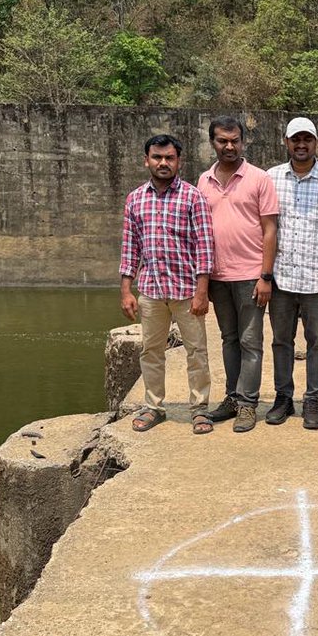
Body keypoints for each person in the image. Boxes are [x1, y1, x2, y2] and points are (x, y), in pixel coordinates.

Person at [119, 134, 214, 435]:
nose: (163, 163)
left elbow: (204, 248)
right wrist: (126, 290)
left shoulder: (193, 197)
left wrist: (202, 292)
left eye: (169, 158)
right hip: (151, 290)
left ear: (178, 161)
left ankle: (199, 408)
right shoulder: (135, 199)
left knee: (196, 351)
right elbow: (130, 248)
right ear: (146, 161)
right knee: (151, 351)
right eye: (157, 157)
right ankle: (154, 406)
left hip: (186, 291)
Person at [266, 117, 318, 430]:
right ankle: (283, 397)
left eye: (307, 139)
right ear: (286, 142)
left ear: (316, 142)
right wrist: (264, 273)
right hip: (282, 277)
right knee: (281, 341)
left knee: (317, 343)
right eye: (295, 139)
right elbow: (265, 227)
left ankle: (313, 399)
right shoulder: (272, 177)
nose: (301, 145)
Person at [197, 115, 279, 433]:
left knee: (250, 341)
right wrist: (203, 278)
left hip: (250, 276)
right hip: (218, 276)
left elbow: (270, 230)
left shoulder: (259, 178)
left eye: (235, 140)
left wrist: (265, 276)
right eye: (222, 140)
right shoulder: (204, 181)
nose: (229, 146)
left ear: (243, 142)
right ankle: (232, 398)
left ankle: (247, 404)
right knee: (229, 339)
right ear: (213, 142)